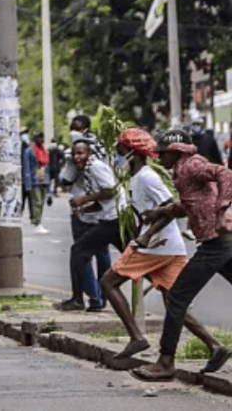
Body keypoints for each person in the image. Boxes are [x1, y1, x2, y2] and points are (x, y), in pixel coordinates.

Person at [101, 128, 224, 362]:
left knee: (108, 282)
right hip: (169, 247)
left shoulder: (148, 177)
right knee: (173, 302)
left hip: (155, 246)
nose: (116, 152)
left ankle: (137, 339)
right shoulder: (137, 177)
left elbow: (169, 207)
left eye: (120, 148)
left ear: (132, 152)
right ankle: (214, 345)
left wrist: (146, 236)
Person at [132, 130, 232, 382]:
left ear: (176, 151)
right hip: (220, 241)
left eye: (163, 153)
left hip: (217, 241)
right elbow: (189, 204)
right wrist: (161, 212)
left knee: (176, 297)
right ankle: (217, 349)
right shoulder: (182, 170)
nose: (158, 157)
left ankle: (165, 362)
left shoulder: (192, 164)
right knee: (177, 298)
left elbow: (226, 174)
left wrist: (221, 212)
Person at [59, 139, 122, 311]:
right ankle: (97, 299)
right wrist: (85, 208)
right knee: (132, 258)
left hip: (113, 220)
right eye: (74, 154)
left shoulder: (95, 166)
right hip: (108, 219)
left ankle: (79, 298)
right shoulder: (89, 168)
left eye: (80, 153)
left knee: (78, 251)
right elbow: (103, 196)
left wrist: (84, 199)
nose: (76, 157)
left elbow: (110, 191)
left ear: (89, 153)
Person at [23, 131, 51, 234]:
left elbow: (48, 167)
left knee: (41, 203)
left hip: (44, 179)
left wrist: (49, 182)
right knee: (37, 202)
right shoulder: (29, 151)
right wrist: (28, 184)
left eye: (41, 137)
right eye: (38, 137)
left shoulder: (45, 150)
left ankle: (37, 220)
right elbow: (26, 168)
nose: (40, 139)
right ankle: (37, 223)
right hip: (34, 180)